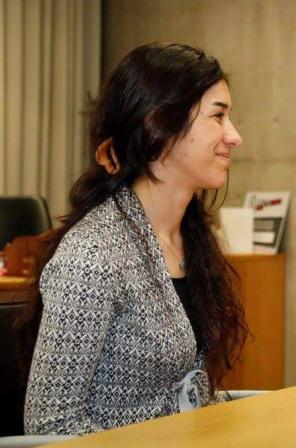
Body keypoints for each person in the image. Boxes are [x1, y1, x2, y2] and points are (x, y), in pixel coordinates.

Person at [21, 42, 247, 435]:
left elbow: (193, 389)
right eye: (218, 116)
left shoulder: (196, 239)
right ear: (160, 123)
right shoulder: (93, 253)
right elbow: (50, 426)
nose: (234, 136)